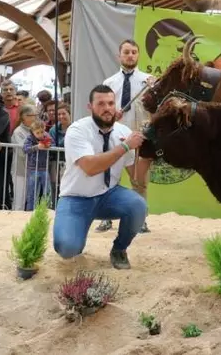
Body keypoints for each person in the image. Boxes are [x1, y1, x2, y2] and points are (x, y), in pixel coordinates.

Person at [53, 85, 148, 269]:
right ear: (90, 107)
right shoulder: (77, 130)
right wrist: (125, 147)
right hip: (76, 198)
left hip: (108, 195)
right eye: (101, 103)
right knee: (67, 248)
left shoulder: (123, 132)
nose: (107, 108)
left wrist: (150, 154)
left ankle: (119, 249)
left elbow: (136, 177)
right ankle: (77, 231)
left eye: (111, 103)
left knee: (138, 205)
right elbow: (90, 167)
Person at [97, 39, 154, 234]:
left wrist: (154, 89)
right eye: (127, 52)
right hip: (115, 138)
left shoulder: (149, 81)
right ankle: (106, 219)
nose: (130, 55)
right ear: (119, 56)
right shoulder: (109, 83)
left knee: (139, 181)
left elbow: (155, 110)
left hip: (139, 138)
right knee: (109, 180)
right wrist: (112, 114)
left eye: (134, 52)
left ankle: (141, 219)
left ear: (138, 55)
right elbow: (101, 111)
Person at [11, 104, 37, 211]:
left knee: (30, 201)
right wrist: (37, 148)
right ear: (23, 117)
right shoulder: (18, 132)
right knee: (19, 201)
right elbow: (23, 151)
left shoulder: (37, 130)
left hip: (34, 170)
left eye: (35, 115)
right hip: (20, 170)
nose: (34, 118)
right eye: (31, 115)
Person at [23, 120, 54, 210]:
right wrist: (36, 147)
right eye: (37, 133)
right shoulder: (29, 138)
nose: (40, 134)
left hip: (44, 168)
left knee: (47, 191)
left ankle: (46, 210)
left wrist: (49, 145)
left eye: (42, 132)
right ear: (33, 132)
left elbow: (53, 143)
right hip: (33, 168)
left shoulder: (47, 136)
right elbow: (25, 149)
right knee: (32, 192)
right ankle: (29, 211)